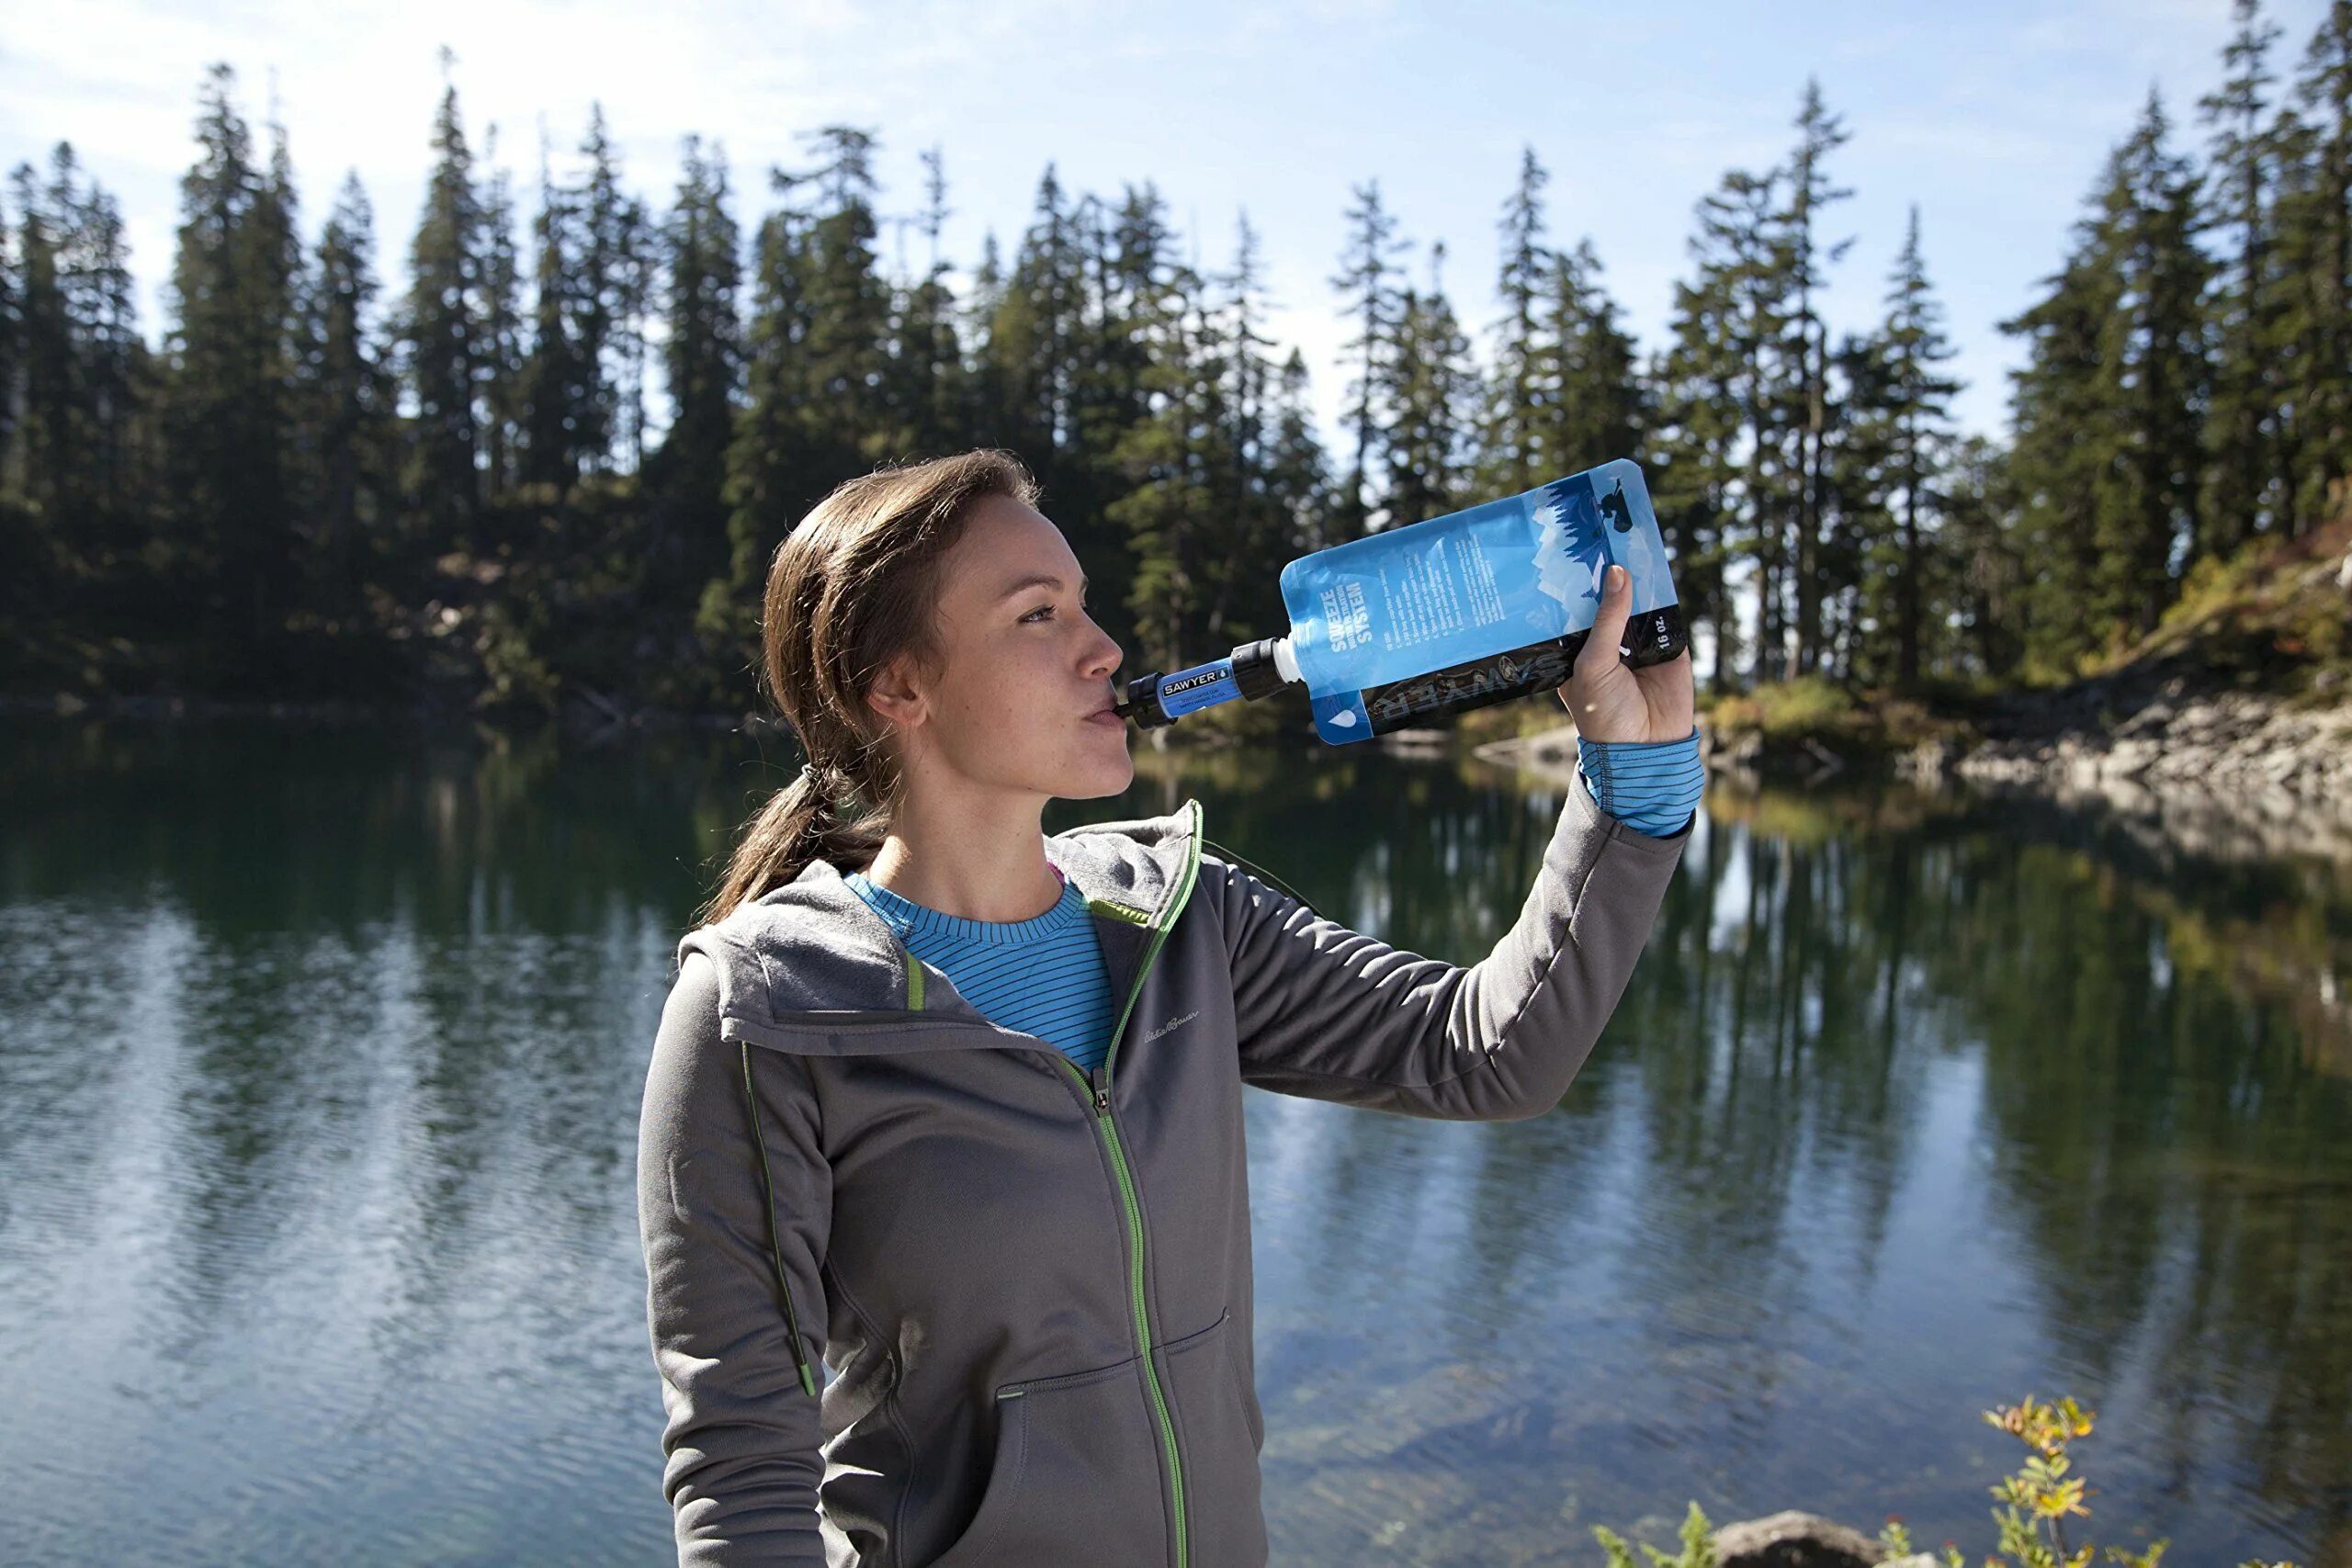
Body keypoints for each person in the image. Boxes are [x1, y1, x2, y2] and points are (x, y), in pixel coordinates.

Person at [637, 449, 1699, 1567]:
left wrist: (1637, 768)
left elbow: (1489, 1056)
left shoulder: (1186, 917)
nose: (1105, 651)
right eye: (1039, 617)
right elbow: (743, 1466)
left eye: (1085, 607)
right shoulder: (765, 1012)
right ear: (897, 686)